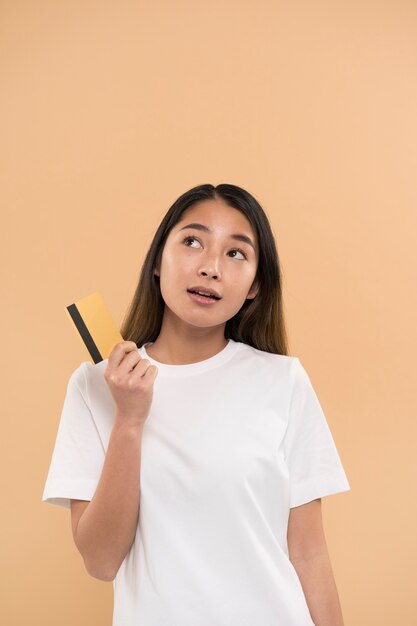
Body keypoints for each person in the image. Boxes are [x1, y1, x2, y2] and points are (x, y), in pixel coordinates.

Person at [42, 183, 351, 626]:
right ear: (156, 262)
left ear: (254, 286)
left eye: (236, 253)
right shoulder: (95, 385)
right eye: (192, 241)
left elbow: (309, 553)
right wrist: (129, 420)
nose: (210, 268)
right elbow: (101, 562)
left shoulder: (283, 381)